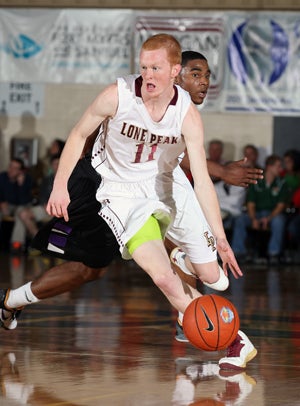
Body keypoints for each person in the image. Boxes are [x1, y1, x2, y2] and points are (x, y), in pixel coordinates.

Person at [1, 40, 258, 370]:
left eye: (156, 68)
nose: (147, 75)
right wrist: (60, 187)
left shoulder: (187, 114)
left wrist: (221, 238)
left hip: (162, 184)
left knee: (217, 279)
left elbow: (202, 179)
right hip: (119, 194)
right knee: (159, 277)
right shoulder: (118, 94)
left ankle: (177, 252)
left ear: (173, 73)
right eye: (144, 67)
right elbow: (79, 135)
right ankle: (234, 339)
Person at [231, 154, 289, 264]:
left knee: (279, 221)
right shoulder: (256, 181)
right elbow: (251, 203)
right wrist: (253, 219)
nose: (281, 169)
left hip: (273, 214)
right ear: (269, 167)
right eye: (278, 166)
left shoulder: (282, 183)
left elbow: (280, 205)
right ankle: (238, 253)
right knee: (240, 219)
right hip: (256, 213)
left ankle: (274, 254)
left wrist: (269, 218)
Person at [12, 154, 61, 254]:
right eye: (54, 164)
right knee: (23, 213)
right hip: (46, 208)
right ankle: (40, 242)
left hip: (62, 210)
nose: (57, 166)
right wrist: (44, 203)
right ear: (51, 166)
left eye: (59, 163)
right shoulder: (46, 180)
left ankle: (47, 246)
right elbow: (42, 195)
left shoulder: (70, 179)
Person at [0, 158, 33, 253]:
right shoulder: (2, 177)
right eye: (10, 166)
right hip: (6, 205)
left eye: (15, 168)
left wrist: (21, 185)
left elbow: (24, 201)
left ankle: (17, 244)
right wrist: (2, 202)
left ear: (20, 171)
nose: (11, 169)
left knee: (20, 213)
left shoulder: (27, 179)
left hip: (21, 206)